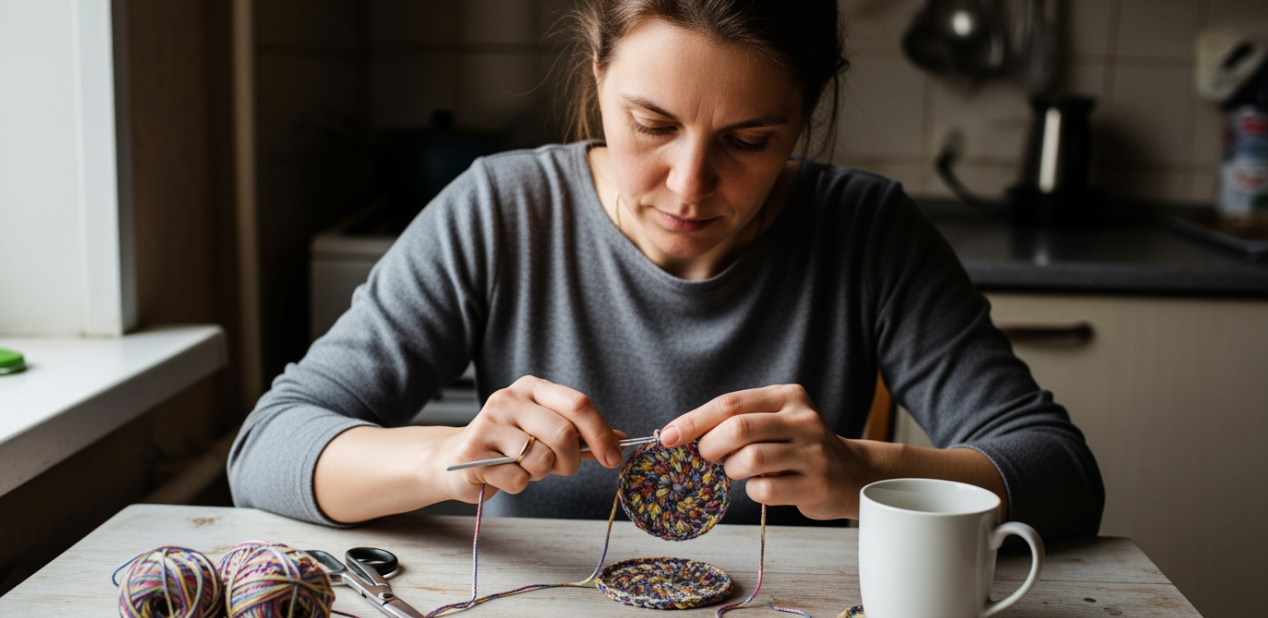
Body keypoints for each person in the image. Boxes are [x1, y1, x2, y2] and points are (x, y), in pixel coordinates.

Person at [228, 0, 1104, 543]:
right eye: (650, 124)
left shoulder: (867, 231)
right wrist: (447, 462)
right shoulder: (498, 210)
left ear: (806, 114)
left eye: (749, 141)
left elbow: (1060, 477)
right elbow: (267, 449)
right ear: (599, 72)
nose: (689, 187)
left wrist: (860, 472)